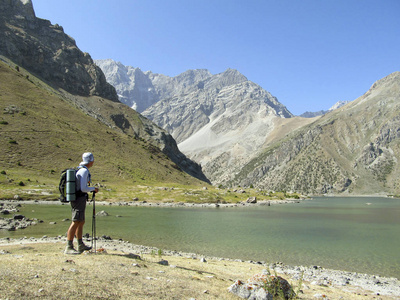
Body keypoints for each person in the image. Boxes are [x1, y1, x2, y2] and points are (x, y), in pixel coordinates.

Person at [64, 152, 99, 255]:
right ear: (90, 161)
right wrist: (93, 189)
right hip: (79, 199)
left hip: (79, 198)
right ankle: (69, 247)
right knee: (76, 221)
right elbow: (83, 188)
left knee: (81, 221)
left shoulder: (81, 170)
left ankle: (80, 244)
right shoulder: (84, 171)